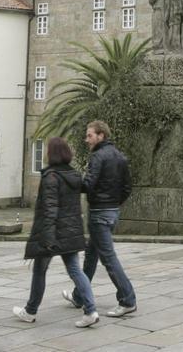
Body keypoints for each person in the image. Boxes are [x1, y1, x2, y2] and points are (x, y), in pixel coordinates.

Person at [13, 137, 99, 328]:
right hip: (70, 232)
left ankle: (30, 311)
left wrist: (47, 238)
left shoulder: (51, 177)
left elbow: (50, 210)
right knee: (75, 270)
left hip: (52, 233)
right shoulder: (74, 175)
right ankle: (91, 310)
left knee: (39, 271)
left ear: (52, 154)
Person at [82, 120, 137, 317]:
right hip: (112, 212)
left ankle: (128, 299)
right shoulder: (120, 156)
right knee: (91, 255)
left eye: (90, 135)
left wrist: (71, 181)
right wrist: (114, 203)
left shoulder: (98, 156)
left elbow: (88, 184)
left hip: (99, 213)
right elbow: (127, 187)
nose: (86, 139)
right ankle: (79, 295)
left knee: (108, 258)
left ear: (101, 136)